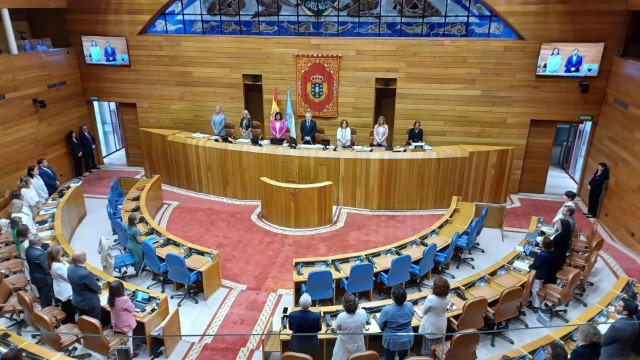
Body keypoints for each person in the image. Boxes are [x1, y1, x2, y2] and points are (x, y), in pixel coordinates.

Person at [377, 285, 414, 360]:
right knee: (403, 357)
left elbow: (381, 326)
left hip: (391, 341)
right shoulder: (410, 305)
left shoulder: (386, 310)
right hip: (406, 339)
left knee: (389, 358)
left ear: (392, 297)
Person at [419, 276, 450, 356]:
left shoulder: (431, 298)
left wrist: (431, 294)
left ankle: (428, 356)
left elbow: (423, 312)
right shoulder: (448, 296)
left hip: (431, 326)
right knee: (438, 345)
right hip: (441, 324)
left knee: (428, 348)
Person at [108, 280, 139, 358]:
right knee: (129, 340)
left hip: (116, 323)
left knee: (124, 339)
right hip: (125, 325)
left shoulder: (110, 298)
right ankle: (131, 354)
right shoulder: (124, 299)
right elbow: (132, 309)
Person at [68, 251, 102, 321]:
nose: (86, 256)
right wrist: (99, 287)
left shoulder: (70, 268)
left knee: (84, 319)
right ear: (81, 260)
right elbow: (96, 288)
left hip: (77, 301)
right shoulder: (85, 274)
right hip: (89, 304)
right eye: (85, 256)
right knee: (94, 322)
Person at [332, 293, 367, 360]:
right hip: (359, 345)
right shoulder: (363, 312)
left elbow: (337, 329)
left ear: (344, 305)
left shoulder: (341, 317)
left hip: (343, 348)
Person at [47, 245, 76, 324]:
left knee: (66, 306)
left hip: (61, 287)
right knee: (69, 310)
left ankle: (66, 321)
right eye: (60, 251)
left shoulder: (53, 262)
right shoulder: (58, 266)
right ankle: (70, 325)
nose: (62, 252)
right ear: (57, 254)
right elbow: (69, 277)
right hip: (66, 290)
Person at [288, 293, 321, 359]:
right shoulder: (316, 316)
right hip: (312, 347)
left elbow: (290, 328)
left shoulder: (292, 315)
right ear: (310, 304)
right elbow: (319, 329)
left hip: (296, 346)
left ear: (299, 303)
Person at [25, 234, 53, 307]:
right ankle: (48, 312)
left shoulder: (28, 249)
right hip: (43, 278)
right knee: (46, 296)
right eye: (40, 240)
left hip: (35, 276)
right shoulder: (39, 254)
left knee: (42, 294)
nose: (41, 241)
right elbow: (46, 268)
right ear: (37, 242)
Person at [528, 237, 554, 312]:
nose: (539, 242)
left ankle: (535, 306)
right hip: (544, 273)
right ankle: (537, 301)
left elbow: (535, 265)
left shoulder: (542, 255)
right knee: (539, 288)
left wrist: (529, 266)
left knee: (535, 289)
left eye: (541, 241)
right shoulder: (550, 252)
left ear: (544, 245)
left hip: (538, 275)